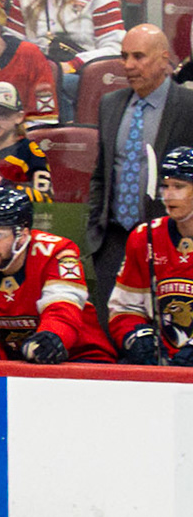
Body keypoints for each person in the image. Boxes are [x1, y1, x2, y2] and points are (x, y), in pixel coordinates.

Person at [87, 23, 193, 316]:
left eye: (138, 56)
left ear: (163, 58)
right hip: (114, 241)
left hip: (170, 242)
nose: (128, 65)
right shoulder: (110, 104)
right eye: (124, 56)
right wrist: (97, 229)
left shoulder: (188, 107)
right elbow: (101, 173)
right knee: (116, 327)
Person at [0, 185, 114, 362]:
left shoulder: (57, 253)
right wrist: (1, 373)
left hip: (80, 357)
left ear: (22, 234)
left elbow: (62, 309)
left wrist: (50, 337)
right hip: (17, 365)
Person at [106, 142, 193, 364]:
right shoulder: (145, 237)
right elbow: (124, 309)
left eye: (179, 186)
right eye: (165, 186)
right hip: (163, 363)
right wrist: (136, 335)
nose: (169, 195)